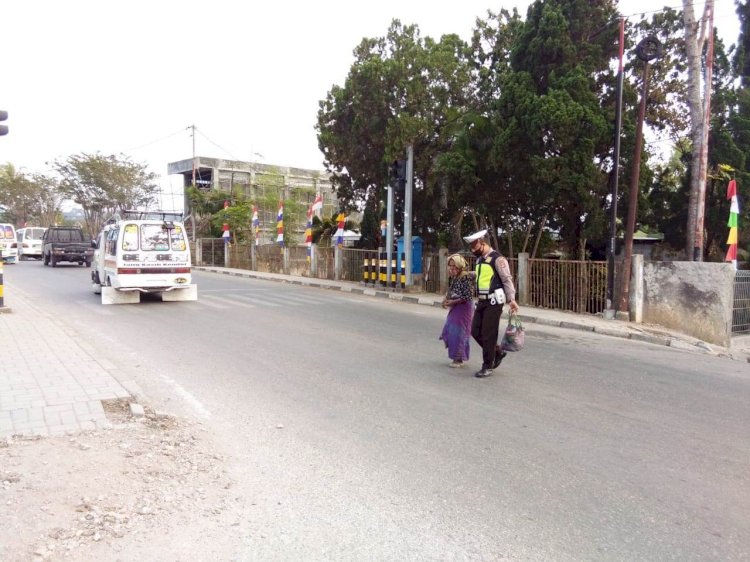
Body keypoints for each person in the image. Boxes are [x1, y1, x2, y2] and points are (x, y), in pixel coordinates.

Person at [464, 229, 520, 378]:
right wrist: (471, 274)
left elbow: (507, 279)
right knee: (475, 330)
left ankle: (487, 366)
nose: (473, 250)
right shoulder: (480, 260)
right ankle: (497, 352)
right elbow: (484, 275)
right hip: (482, 300)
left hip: (494, 302)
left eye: (475, 247)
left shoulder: (498, 259)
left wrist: (512, 299)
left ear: (483, 243)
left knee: (489, 334)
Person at [439, 254, 474, 368]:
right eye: (450, 266)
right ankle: (456, 356)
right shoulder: (455, 277)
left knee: (459, 333)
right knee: (450, 329)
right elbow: (451, 291)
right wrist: (446, 300)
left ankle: (459, 359)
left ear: (460, 266)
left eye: (454, 267)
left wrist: (452, 302)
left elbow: (467, 297)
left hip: (464, 309)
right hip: (456, 307)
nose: (452, 269)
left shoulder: (465, 277)